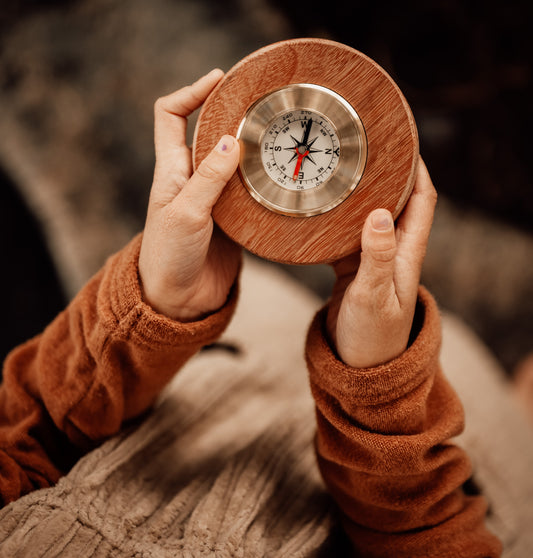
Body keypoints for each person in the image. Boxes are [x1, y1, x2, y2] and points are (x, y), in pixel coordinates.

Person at [0, 69, 502, 556]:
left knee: (265, 291)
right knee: (495, 381)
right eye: (299, 152)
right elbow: (430, 536)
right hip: (407, 447)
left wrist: (158, 309)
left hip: (217, 366)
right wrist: (377, 385)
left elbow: (29, 424)